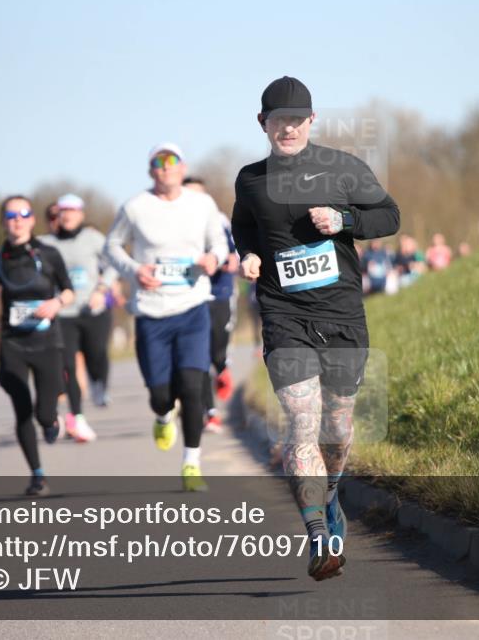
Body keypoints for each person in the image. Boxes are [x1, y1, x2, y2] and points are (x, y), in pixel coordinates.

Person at [232, 76, 400, 580]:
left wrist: (345, 218)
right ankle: (318, 539)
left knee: (338, 429)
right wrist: (250, 254)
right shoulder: (249, 179)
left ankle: (329, 499)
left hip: (343, 314)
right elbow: (243, 225)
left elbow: (389, 215)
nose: (287, 127)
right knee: (302, 422)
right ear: (262, 123)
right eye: (277, 119)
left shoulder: (343, 168)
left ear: (312, 120)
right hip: (284, 315)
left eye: (296, 119)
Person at [104, 143, 228, 492]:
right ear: (150, 171)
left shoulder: (201, 203)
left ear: (182, 167)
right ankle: (162, 415)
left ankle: (191, 463)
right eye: (158, 162)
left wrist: (213, 259)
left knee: (192, 386)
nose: (166, 167)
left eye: (172, 161)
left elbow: (219, 243)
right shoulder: (135, 207)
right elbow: (111, 247)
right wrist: (133, 270)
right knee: (160, 394)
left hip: (192, 307)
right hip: (151, 311)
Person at [0, 196, 74, 496]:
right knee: (21, 409)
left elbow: (69, 290)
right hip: (13, 342)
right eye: (10, 215)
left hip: (47, 341)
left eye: (23, 214)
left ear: (33, 219)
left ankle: (50, 418)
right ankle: (37, 475)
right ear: (3, 222)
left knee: (43, 414)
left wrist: (56, 303)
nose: (17, 220)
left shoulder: (49, 254)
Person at [39, 193, 118, 442]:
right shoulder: (46, 243)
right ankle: (78, 418)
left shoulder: (93, 238)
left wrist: (102, 290)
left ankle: (99, 384)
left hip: (92, 309)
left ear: (81, 214)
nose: (67, 215)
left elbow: (115, 263)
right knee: (68, 367)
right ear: (57, 216)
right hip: (64, 313)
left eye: (72, 211)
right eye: (62, 211)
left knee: (97, 355)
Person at [181, 176, 240, 434]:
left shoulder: (218, 221)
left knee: (216, 351)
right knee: (200, 356)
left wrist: (223, 261)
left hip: (219, 292)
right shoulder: (176, 223)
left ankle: (223, 367)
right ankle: (211, 412)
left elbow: (234, 256)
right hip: (192, 296)